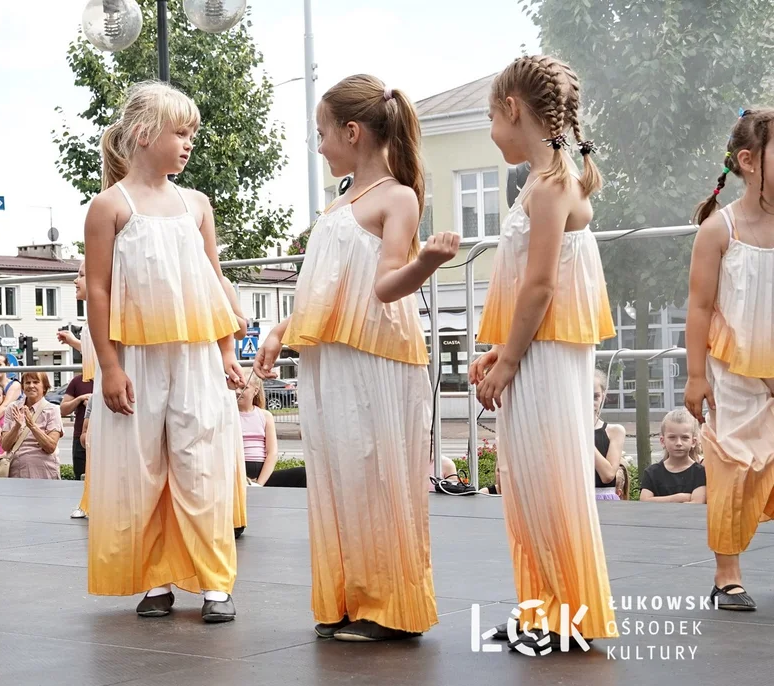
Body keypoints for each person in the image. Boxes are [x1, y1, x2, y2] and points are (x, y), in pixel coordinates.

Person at [256, 74, 457, 642]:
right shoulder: (340, 204)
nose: (318, 145)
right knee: (340, 476)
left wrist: (427, 264)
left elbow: (388, 285)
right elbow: (327, 291)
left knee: (376, 474)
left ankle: (388, 606)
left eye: (322, 133)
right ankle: (350, 597)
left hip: (374, 362)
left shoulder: (396, 197)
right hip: (333, 362)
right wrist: (280, 329)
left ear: (352, 131)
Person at [469, 55, 617, 647]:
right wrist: (502, 349)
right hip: (536, 351)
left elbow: (540, 285)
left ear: (513, 109)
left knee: (548, 478)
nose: (491, 129)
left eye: (490, 116)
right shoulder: (547, 181)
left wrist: (507, 360)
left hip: (545, 360)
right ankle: (542, 607)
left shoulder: (554, 186)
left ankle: (565, 612)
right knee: (530, 480)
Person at [85, 82, 244, 623]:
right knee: (140, 468)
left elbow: (213, 278)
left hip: (195, 354)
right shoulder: (109, 206)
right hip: (137, 359)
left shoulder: (196, 205)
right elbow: (99, 289)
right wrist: (108, 366)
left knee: (199, 462)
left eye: (192, 133)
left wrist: (225, 350)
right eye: (181, 132)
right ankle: (155, 578)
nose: (190, 142)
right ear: (144, 134)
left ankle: (214, 581)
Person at [684, 107, 774, 611]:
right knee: (734, 470)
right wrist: (696, 375)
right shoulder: (721, 231)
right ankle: (727, 575)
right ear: (749, 161)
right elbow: (699, 307)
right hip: (735, 376)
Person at [58, 262, 95, 517]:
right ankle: (91, 500)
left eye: (81, 275)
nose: (75, 280)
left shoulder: (102, 315)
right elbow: (95, 355)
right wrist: (75, 342)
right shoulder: (90, 319)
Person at [0, 372, 63, 480]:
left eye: (36, 382)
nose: (31, 385)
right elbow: (5, 446)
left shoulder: (53, 409)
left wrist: (32, 426)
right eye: (27, 382)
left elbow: (50, 447)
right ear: (23, 387)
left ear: (44, 387)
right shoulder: (13, 408)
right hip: (16, 472)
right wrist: (17, 427)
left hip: (44, 472)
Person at [640, 409, 707, 503]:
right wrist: (680, 498)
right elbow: (644, 501)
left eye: (685, 438)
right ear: (663, 441)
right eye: (672, 437)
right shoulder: (652, 472)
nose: (678, 443)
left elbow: (696, 503)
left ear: (693, 442)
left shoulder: (700, 473)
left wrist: (657, 501)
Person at [592, 370, 627, 501]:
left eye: (595, 397)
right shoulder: (565, 431)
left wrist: (584, 439)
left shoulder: (614, 431)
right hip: (574, 499)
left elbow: (607, 475)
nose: (591, 402)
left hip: (603, 498)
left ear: (603, 396)